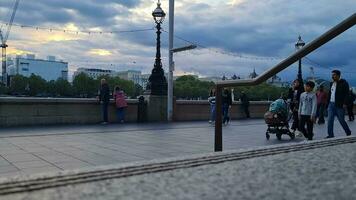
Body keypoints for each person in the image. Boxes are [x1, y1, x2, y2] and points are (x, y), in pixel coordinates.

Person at [326, 70, 352, 138]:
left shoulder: (344, 83)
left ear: (338, 75)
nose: (332, 76)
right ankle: (330, 135)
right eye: (332, 75)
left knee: (341, 120)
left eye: (334, 75)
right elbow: (330, 93)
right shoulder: (331, 83)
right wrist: (327, 103)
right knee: (330, 120)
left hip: (339, 105)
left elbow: (347, 94)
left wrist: (345, 103)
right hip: (331, 104)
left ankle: (348, 132)